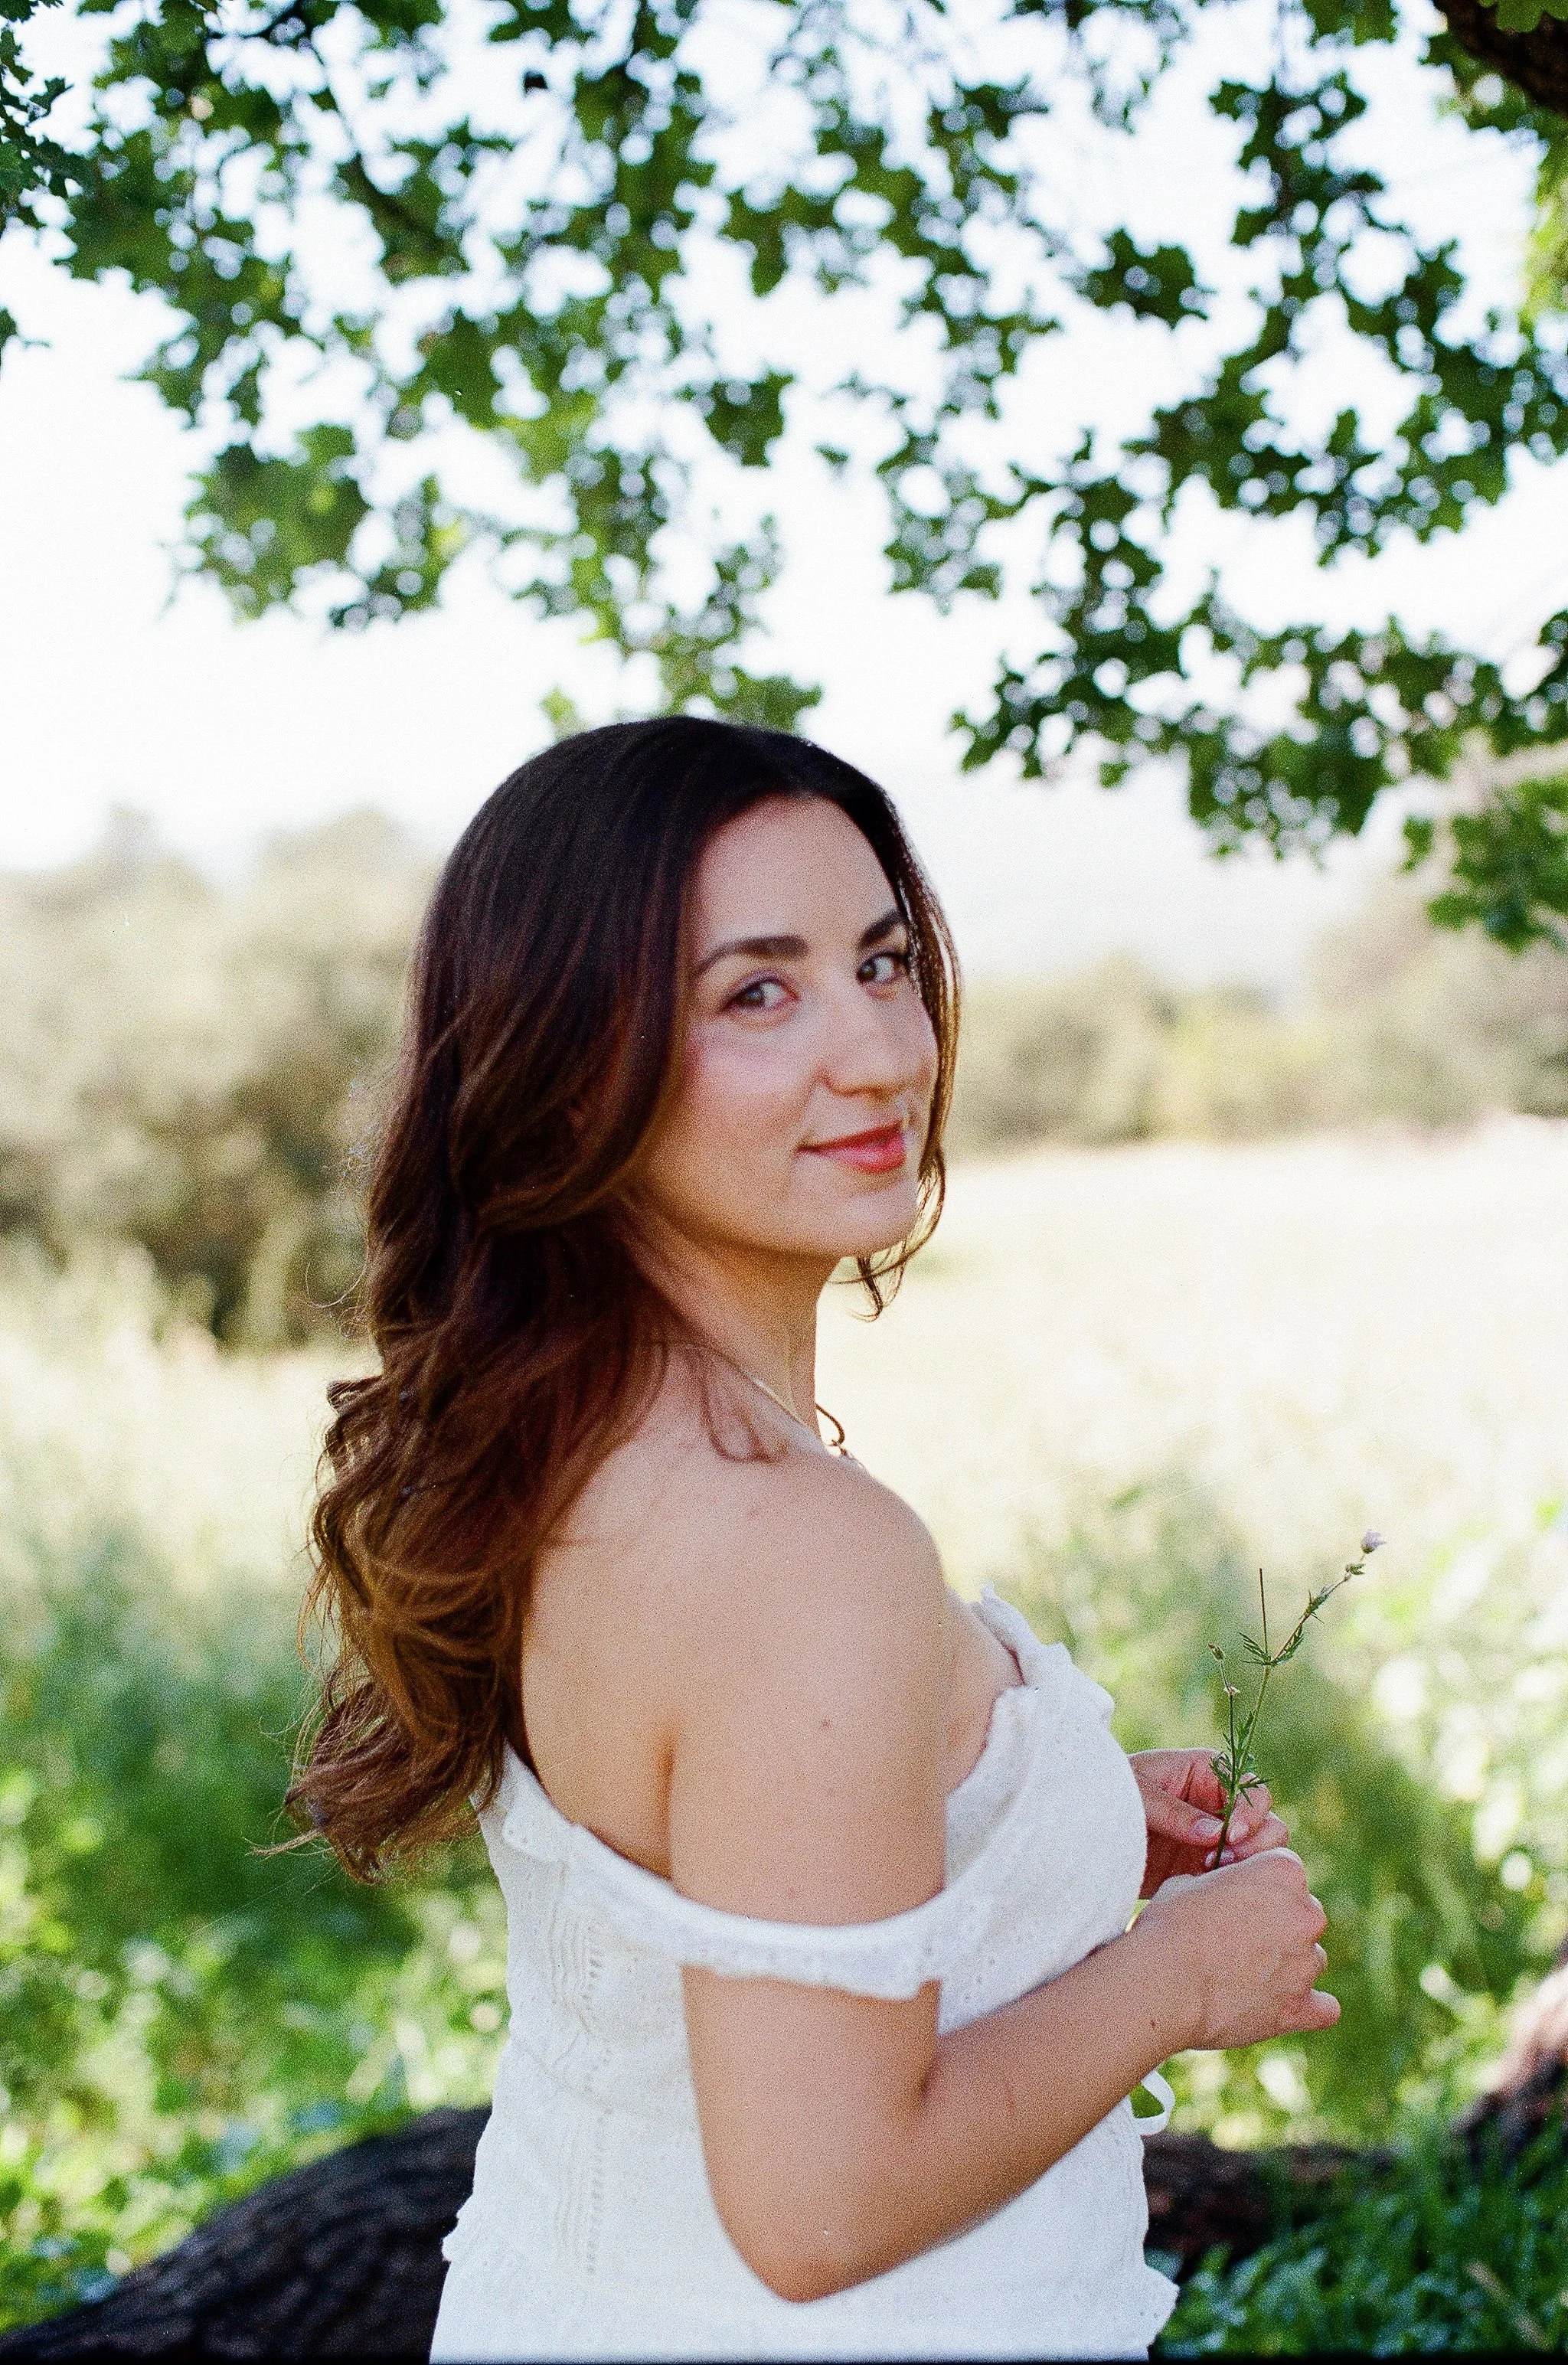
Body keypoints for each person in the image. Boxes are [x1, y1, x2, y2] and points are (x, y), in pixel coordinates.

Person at [291, 717, 1338, 2362]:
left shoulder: (574, 1442)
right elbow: (820, 2205)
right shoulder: (795, 1543)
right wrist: (1180, 1979)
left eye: (882, 962)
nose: (878, 1054)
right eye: (756, 994)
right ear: (571, 1061)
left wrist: (1033, 1826)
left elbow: (694, 1874)